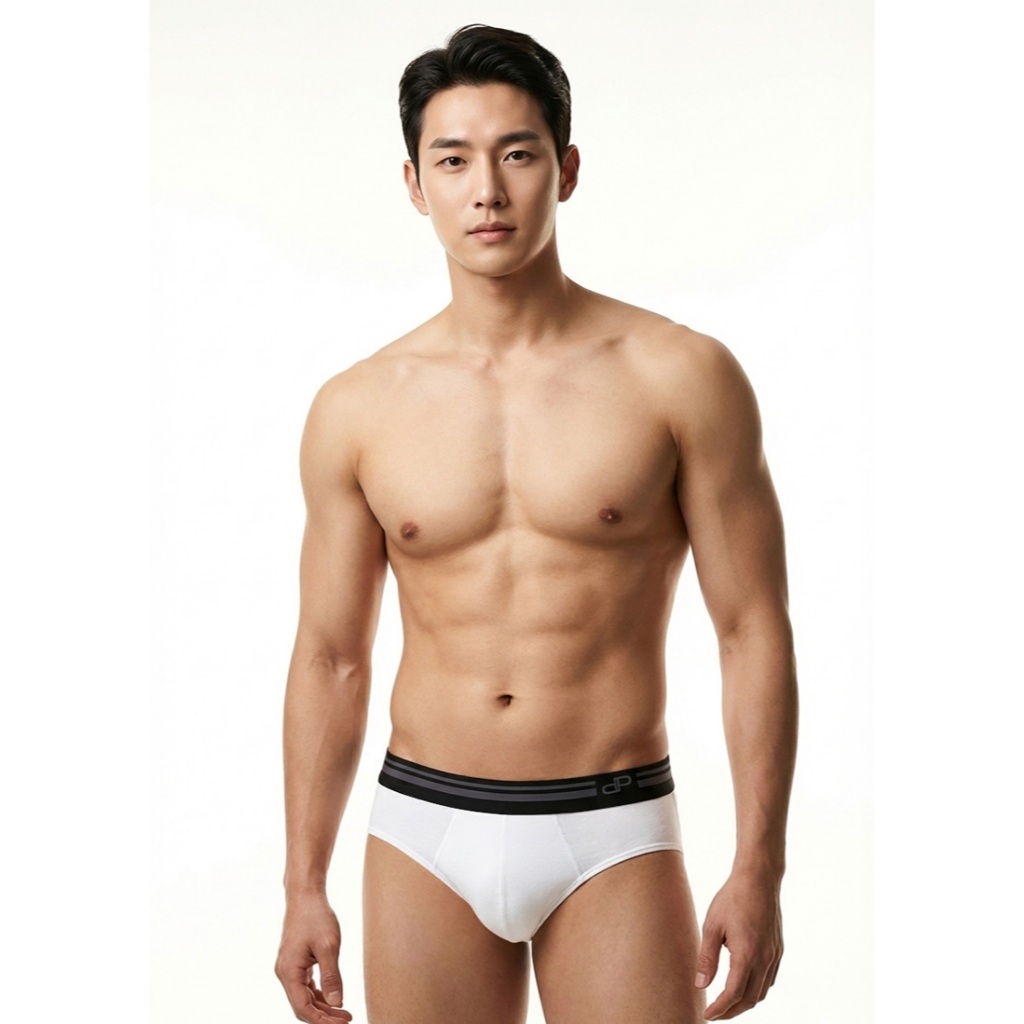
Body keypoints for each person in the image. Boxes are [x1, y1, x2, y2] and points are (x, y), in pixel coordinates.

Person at [274, 23, 797, 1024]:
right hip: (424, 827)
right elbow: (331, 657)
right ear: (414, 184)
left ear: (566, 169)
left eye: (516, 154)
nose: (487, 191)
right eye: (452, 160)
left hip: (611, 829)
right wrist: (303, 883)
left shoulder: (680, 377)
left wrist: (758, 867)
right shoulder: (358, 408)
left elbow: (751, 628)